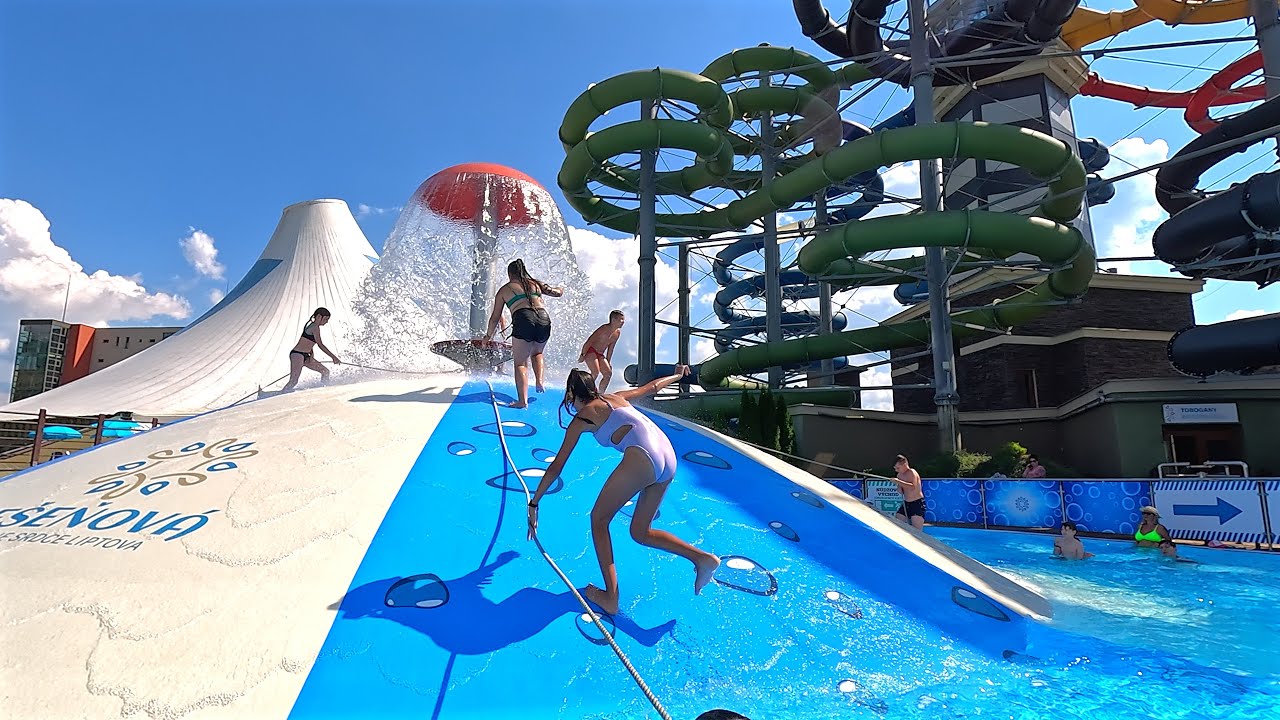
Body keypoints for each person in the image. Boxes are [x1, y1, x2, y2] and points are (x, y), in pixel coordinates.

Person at [526, 365, 720, 616]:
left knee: (599, 520)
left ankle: (611, 598)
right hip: (668, 457)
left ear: (572, 393)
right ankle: (702, 559)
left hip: (644, 457)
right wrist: (678, 375)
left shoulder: (582, 417)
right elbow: (652, 388)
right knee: (641, 532)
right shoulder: (616, 396)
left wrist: (534, 502)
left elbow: (557, 466)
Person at [483, 259, 565, 408]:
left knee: (520, 363)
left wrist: (487, 336)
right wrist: (561, 287)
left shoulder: (505, 289)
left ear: (510, 274)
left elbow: (495, 317)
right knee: (537, 353)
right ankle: (539, 382)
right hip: (543, 318)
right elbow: (558, 293)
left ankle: (522, 401)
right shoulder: (535, 283)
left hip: (523, 318)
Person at [282, 307, 341, 392]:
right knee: (293, 381)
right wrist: (334, 357)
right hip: (297, 355)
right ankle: (279, 395)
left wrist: (311, 355)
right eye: (325, 319)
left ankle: (324, 391)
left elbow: (309, 343)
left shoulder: (313, 326)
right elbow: (320, 345)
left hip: (306, 356)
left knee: (325, 371)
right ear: (319, 317)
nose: (327, 322)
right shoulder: (314, 327)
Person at [578, 310, 625, 392]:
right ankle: (585, 391)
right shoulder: (603, 328)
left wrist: (608, 361)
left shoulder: (617, 333)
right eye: (621, 319)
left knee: (608, 373)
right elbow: (590, 341)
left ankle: (601, 394)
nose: (623, 322)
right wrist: (582, 354)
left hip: (600, 354)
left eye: (623, 319)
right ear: (613, 320)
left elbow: (611, 348)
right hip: (590, 351)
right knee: (595, 372)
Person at [890, 454, 926, 530]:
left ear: (904, 464)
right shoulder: (899, 475)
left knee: (917, 531)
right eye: (895, 468)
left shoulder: (912, 472)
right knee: (897, 522)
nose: (896, 470)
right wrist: (899, 487)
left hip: (917, 503)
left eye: (898, 468)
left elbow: (912, 487)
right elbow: (901, 489)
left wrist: (899, 482)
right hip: (906, 503)